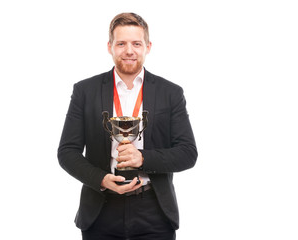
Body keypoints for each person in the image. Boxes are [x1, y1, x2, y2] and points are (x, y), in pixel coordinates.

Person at [58, 12, 197, 240]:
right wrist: (100, 179)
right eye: (121, 43)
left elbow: (188, 153)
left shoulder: (170, 93)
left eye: (136, 43)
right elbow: (67, 152)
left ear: (148, 46)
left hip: (155, 212)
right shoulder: (85, 91)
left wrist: (142, 158)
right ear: (109, 46)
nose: (129, 50)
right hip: (100, 209)